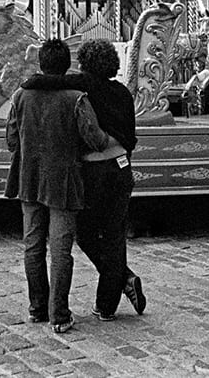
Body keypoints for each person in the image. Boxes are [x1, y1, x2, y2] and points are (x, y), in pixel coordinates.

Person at [21, 38, 147, 322]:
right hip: (121, 166)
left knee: (86, 234)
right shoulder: (123, 93)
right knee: (115, 235)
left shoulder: (81, 86)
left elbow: (49, 82)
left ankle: (124, 278)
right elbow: (131, 136)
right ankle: (106, 306)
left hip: (93, 169)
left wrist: (28, 83)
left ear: (85, 63)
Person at [5, 39, 110, 334]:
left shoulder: (20, 96)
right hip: (63, 181)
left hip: (29, 178)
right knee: (61, 250)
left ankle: (37, 307)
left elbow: (11, 140)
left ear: (40, 63)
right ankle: (59, 314)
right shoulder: (76, 98)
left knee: (33, 246)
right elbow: (96, 139)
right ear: (67, 65)